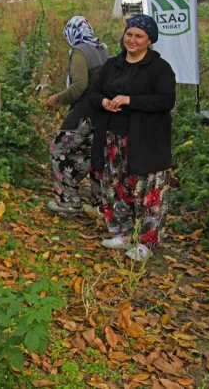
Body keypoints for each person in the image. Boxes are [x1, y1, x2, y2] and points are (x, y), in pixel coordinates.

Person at [86, 14, 175, 262]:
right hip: (114, 137)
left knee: (149, 190)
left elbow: (166, 100)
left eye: (139, 36)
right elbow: (93, 92)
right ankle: (122, 233)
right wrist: (103, 101)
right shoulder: (113, 65)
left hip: (147, 139)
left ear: (149, 40)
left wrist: (130, 100)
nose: (132, 40)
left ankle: (146, 242)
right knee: (116, 185)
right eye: (129, 34)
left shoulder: (159, 68)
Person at [46, 16, 108, 215]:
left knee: (59, 148)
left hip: (85, 111)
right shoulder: (102, 49)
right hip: (104, 112)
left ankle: (69, 200)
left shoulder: (80, 50)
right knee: (96, 154)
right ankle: (103, 204)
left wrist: (57, 98)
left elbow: (79, 85)